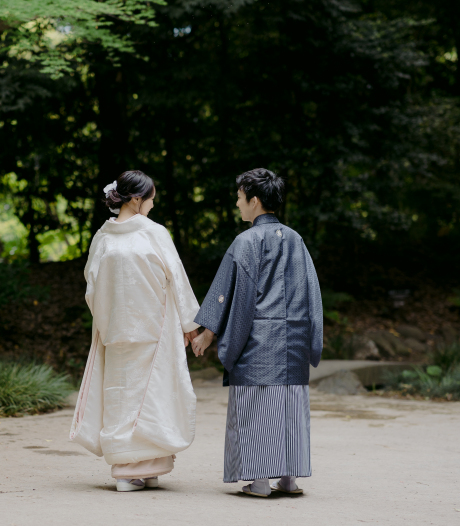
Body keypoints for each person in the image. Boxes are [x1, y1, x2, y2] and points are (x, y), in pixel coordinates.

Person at [192, 168, 323, 497]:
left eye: (239, 197)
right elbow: (311, 293)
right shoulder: (296, 240)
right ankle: (289, 478)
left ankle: (260, 481)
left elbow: (228, 292)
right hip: (292, 342)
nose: (237, 203)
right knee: (289, 409)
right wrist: (311, 338)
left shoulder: (246, 241)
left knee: (257, 409)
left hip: (258, 342)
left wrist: (207, 334)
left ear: (255, 200)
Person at [69, 170, 200, 492]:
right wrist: (190, 326)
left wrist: (105, 321)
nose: (153, 206)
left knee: (121, 395)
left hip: (115, 329)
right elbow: (177, 281)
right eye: (152, 199)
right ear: (137, 198)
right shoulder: (154, 234)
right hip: (153, 327)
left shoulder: (103, 238)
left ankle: (133, 469)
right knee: (153, 394)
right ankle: (138, 468)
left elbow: (92, 288)